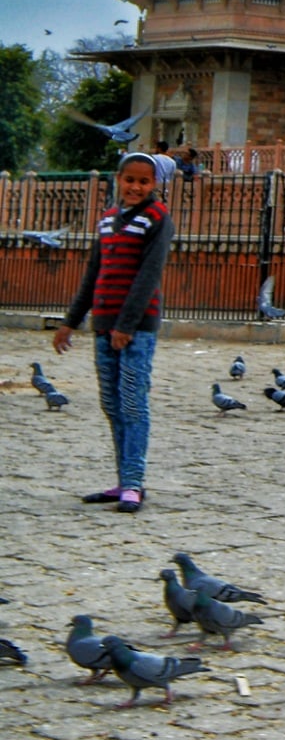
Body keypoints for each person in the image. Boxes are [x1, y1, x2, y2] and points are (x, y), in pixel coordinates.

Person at [56, 150, 175, 511]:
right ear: (118, 180)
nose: (136, 187)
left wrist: (126, 326)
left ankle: (134, 484)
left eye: (144, 181)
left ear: (154, 184)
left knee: (133, 402)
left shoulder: (158, 218)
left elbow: (148, 276)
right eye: (130, 180)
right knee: (112, 404)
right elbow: (94, 273)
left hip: (136, 329)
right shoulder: (108, 220)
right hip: (104, 326)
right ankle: (124, 481)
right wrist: (70, 322)